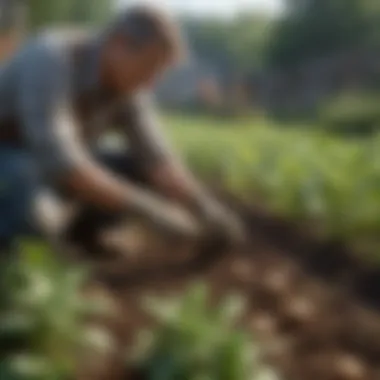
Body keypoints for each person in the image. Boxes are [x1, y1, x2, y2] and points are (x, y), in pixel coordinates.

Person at [0, 5, 246, 252]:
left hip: (47, 162)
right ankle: (14, 253)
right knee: (28, 188)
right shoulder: (51, 58)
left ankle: (82, 236)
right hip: (10, 153)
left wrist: (205, 207)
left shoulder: (130, 88)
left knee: (135, 170)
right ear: (119, 44)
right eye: (150, 66)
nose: (151, 82)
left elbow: (157, 159)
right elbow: (61, 161)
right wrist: (148, 209)